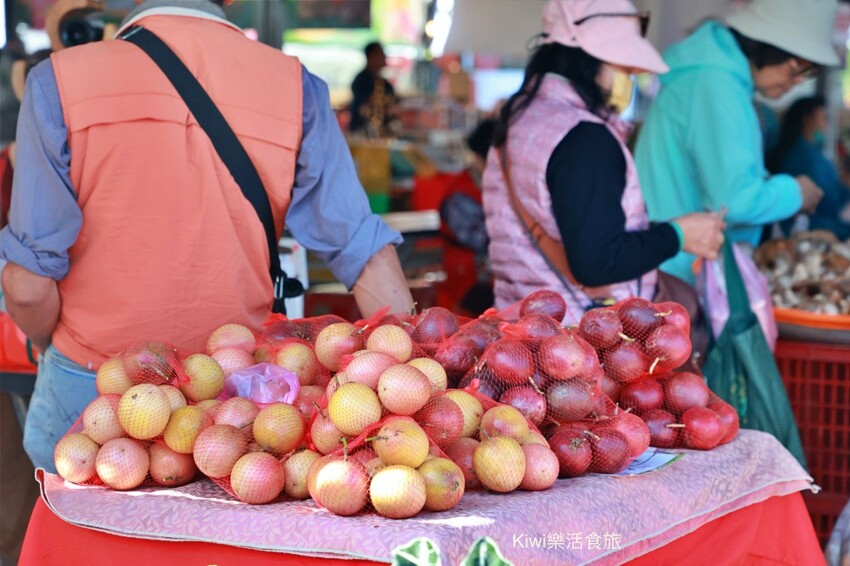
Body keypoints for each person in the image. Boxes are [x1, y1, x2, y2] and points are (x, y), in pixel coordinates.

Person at [1, 0, 414, 471]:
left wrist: (45, 345)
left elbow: (28, 286)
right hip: (236, 399)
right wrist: (414, 381)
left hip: (96, 392)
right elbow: (364, 251)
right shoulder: (293, 87)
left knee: (83, 539)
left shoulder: (59, 82)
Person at [482, 0, 725, 325]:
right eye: (623, 67)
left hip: (521, 332)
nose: (628, 79)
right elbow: (597, 261)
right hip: (582, 342)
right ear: (587, 60)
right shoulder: (585, 137)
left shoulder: (523, 118)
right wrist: (678, 235)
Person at [634, 0, 835, 284]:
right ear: (772, 48)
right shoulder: (716, 85)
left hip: (672, 263)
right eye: (800, 67)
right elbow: (735, 201)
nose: (799, 81)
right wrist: (795, 193)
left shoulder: (715, 77)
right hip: (679, 274)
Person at [767, 96, 850, 240]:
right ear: (807, 119)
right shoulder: (802, 155)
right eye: (823, 118)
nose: (826, 124)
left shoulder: (810, 150)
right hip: (813, 226)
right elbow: (821, 199)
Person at [349, 41, 397, 136]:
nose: (384, 57)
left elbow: (393, 106)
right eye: (381, 53)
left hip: (382, 134)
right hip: (362, 134)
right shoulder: (361, 81)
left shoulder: (386, 85)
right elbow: (361, 108)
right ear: (370, 57)